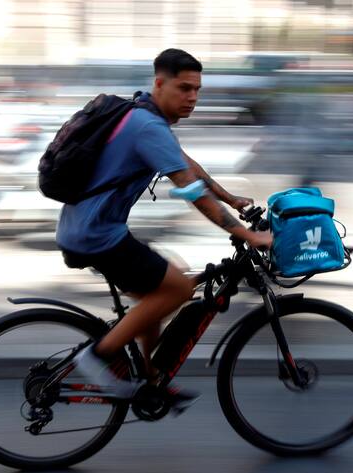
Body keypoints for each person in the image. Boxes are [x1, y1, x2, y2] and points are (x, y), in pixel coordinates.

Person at [57, 49, 273, 407]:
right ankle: (97, 357)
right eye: (184, 88)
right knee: (178, 289)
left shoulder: (144, 115)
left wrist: (230, 198)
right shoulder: (147, 127)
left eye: (197, 90)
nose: (192, 97)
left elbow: (188, 166)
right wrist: (247, 235)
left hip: (90, 229)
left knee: (166, 278)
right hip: (95, 236)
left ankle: (149, 379)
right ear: (160, 83)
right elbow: (191, 192)